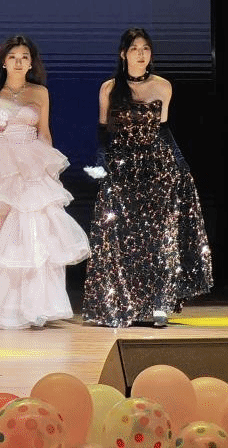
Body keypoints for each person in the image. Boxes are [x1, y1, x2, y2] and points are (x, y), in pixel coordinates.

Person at [0, 36, 89, 328]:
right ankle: (0, 307)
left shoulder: (40, 92)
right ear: (3, 62)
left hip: (31, 167)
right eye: (13, 57)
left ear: (31, 63)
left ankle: (34, 306)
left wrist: (50, 168)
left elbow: (44, 132)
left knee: (33, 233)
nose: (19, 62)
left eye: (24, 57)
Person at [83, 28, 212, 327]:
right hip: (122, 169)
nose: (141, 54)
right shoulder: (109, 88)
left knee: (160, 238)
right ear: (123, 54)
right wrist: (102, 164)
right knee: (121, 238)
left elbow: (163, 131)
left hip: (157, 168)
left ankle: (159, 304)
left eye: (146, 48)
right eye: (134, 49)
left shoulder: (163, 86)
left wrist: (181, 164)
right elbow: (103, 133)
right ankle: (122, 304)